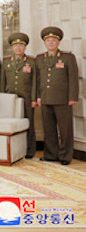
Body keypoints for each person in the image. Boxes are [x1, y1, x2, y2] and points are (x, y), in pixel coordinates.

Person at [35, 26, 78, 165]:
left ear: (58, 42)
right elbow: (38, 80)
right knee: (49, 129)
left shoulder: (68, 57)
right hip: (46, 99)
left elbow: (73, 78)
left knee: (65, 130)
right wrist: (38, 96)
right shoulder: (40, 58)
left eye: (54, 40)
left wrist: (72, 97)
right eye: (48, 40)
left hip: (62, 100)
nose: (51, 43)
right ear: (44, 43)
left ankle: (65, 156)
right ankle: (51, 154)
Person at [1, 32, 37, 159]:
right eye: (15, 46)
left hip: (27, 97)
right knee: (11, 122)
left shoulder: (32, 62)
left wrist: (33, 98)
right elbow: (2, 81)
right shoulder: (6, 61)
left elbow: (34, 82)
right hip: (10, 98)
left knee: (28, 122)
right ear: (12, 47)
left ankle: (29, 150)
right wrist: (3, 98)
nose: (18, 48)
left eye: (21, 46)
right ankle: (12, 148)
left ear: (25, 47)